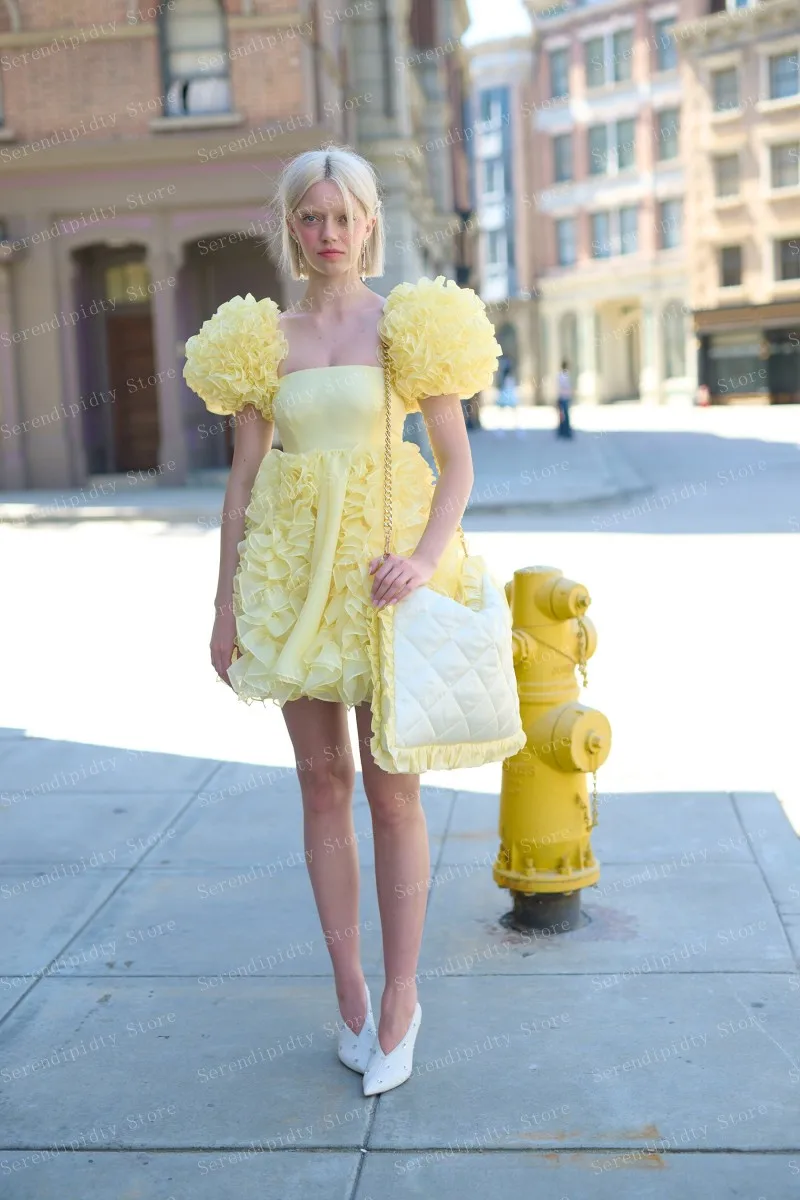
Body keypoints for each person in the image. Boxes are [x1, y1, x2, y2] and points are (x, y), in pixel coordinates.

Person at [182, 145, 501, 1097]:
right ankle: (353, 997)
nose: (328, 234)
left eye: (343, 216)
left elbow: (456, 464)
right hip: (292, 577)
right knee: (321, 786)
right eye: (310, 218)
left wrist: (427, 557)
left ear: (370, 224)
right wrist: (224, 603)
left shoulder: (410, 326)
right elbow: (242, 483)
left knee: (392, 791)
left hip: (384, 576)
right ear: (292, 228)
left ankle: (405, 998)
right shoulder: (257, 338)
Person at [496, 363, 521, 434]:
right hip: (510, 396)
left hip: (505, 396)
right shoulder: (511, 378)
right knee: (514, 413)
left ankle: (500, 429)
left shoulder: (503, 378)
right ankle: (517, 428)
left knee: (502, 413)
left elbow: (501, 388)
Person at [556, 359, 573, 438]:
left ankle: (563, 430)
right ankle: (565, 430)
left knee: (563, 415)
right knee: (565, 415)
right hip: (565, 397)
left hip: (562, 396)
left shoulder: (560, 375)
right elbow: (566, 386)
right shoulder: (565, 375)